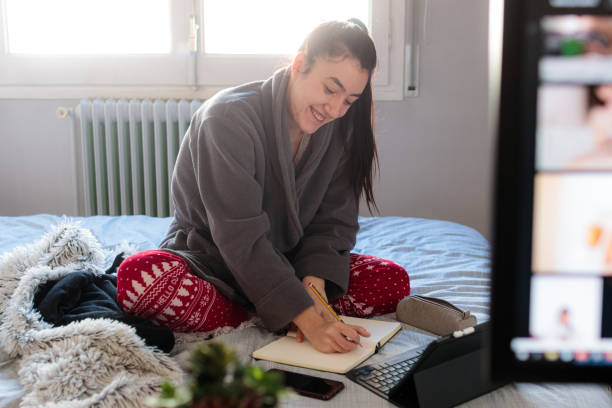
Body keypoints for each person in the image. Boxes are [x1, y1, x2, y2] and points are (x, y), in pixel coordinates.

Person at [116, 19, 410, 354]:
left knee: (393, 281)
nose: (334, 109)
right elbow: (240, 237)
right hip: (214, 262)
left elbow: (332, 227)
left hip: (293, 263)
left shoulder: (340, 131)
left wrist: (314, 298)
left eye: (349, 100)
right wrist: (309, 320)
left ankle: (269, 310)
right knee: (137, 279)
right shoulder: (227, 120)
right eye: (330, 89)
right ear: (299, 65)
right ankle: (259, 312)